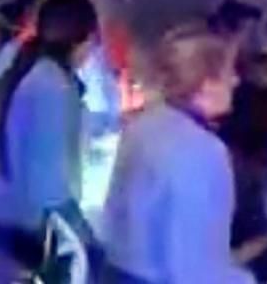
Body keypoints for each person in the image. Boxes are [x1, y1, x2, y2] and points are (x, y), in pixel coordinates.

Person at [102, 23, 258, 284]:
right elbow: (193, 268)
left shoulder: (141, 125)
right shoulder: (204, 152)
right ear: (205, 84)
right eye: (229, 72)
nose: (236, 80)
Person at [0, 0, 102, 268]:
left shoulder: (19, 63)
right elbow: (50, 184)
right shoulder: (53, 85)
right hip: (29, 233)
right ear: (84, 39)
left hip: (0, 221)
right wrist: (85, 240)